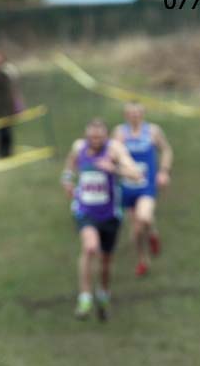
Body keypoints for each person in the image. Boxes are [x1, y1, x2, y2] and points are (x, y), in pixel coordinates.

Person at [61, 119, 143, 320]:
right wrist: (67, 180)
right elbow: (69, 164)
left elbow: (136, 174)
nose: (94, 141)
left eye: (99, 137)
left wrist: (113, 168)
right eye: (91, 137)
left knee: (106, 262)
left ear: (105, 136)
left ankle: (103, 294)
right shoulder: (79, 147)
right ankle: (85, 297)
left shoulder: (114, 150)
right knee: (90, 248)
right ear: (86, 135)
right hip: (85, 210)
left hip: (109, 215)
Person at [113, 102, 173, 276]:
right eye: (131, 113)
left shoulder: (153, 131)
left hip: (146, 185)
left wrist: (163, 171)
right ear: (125, 115)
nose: (134, 116)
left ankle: (152, 233)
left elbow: (166, 150)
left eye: (137, 113)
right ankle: (142, 259)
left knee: (144, 218)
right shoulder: (119, 133)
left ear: (143, 114)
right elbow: (113, 155)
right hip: (126, 186)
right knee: (137, 230)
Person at [0, 49, 24, 158]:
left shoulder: (6, 71)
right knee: (0, 131)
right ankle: (2, 153)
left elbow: (14, 85)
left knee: (7, 131)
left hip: (6, 107)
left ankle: (7, 152)